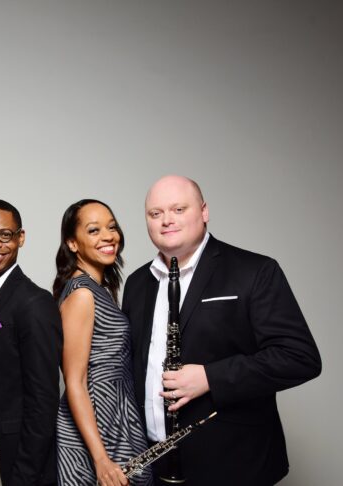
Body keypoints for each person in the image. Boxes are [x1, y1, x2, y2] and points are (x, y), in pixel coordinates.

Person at [122, 175, 322, 486]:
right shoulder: (137, 283)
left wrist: (210, 377)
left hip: (235, 465)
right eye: (155, 213)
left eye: (178, 209)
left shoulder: (254, 270)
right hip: (156, 466)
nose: (166, 221)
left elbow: (299, 357)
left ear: (203, 212)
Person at [54, 199, 153, 486]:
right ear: (73, 243)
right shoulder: (82, 293)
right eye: (94, 230)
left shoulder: (99, 290)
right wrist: (100, 458)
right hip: (97, 428)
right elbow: (75, 380)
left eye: (112, 227)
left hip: (117, 418)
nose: (109, 236)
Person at [0, 199, 62, 485]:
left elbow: (43, 400)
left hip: (17, 464)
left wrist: (24, 477)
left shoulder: (34, 302)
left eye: (5, 235)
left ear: (21, 238)